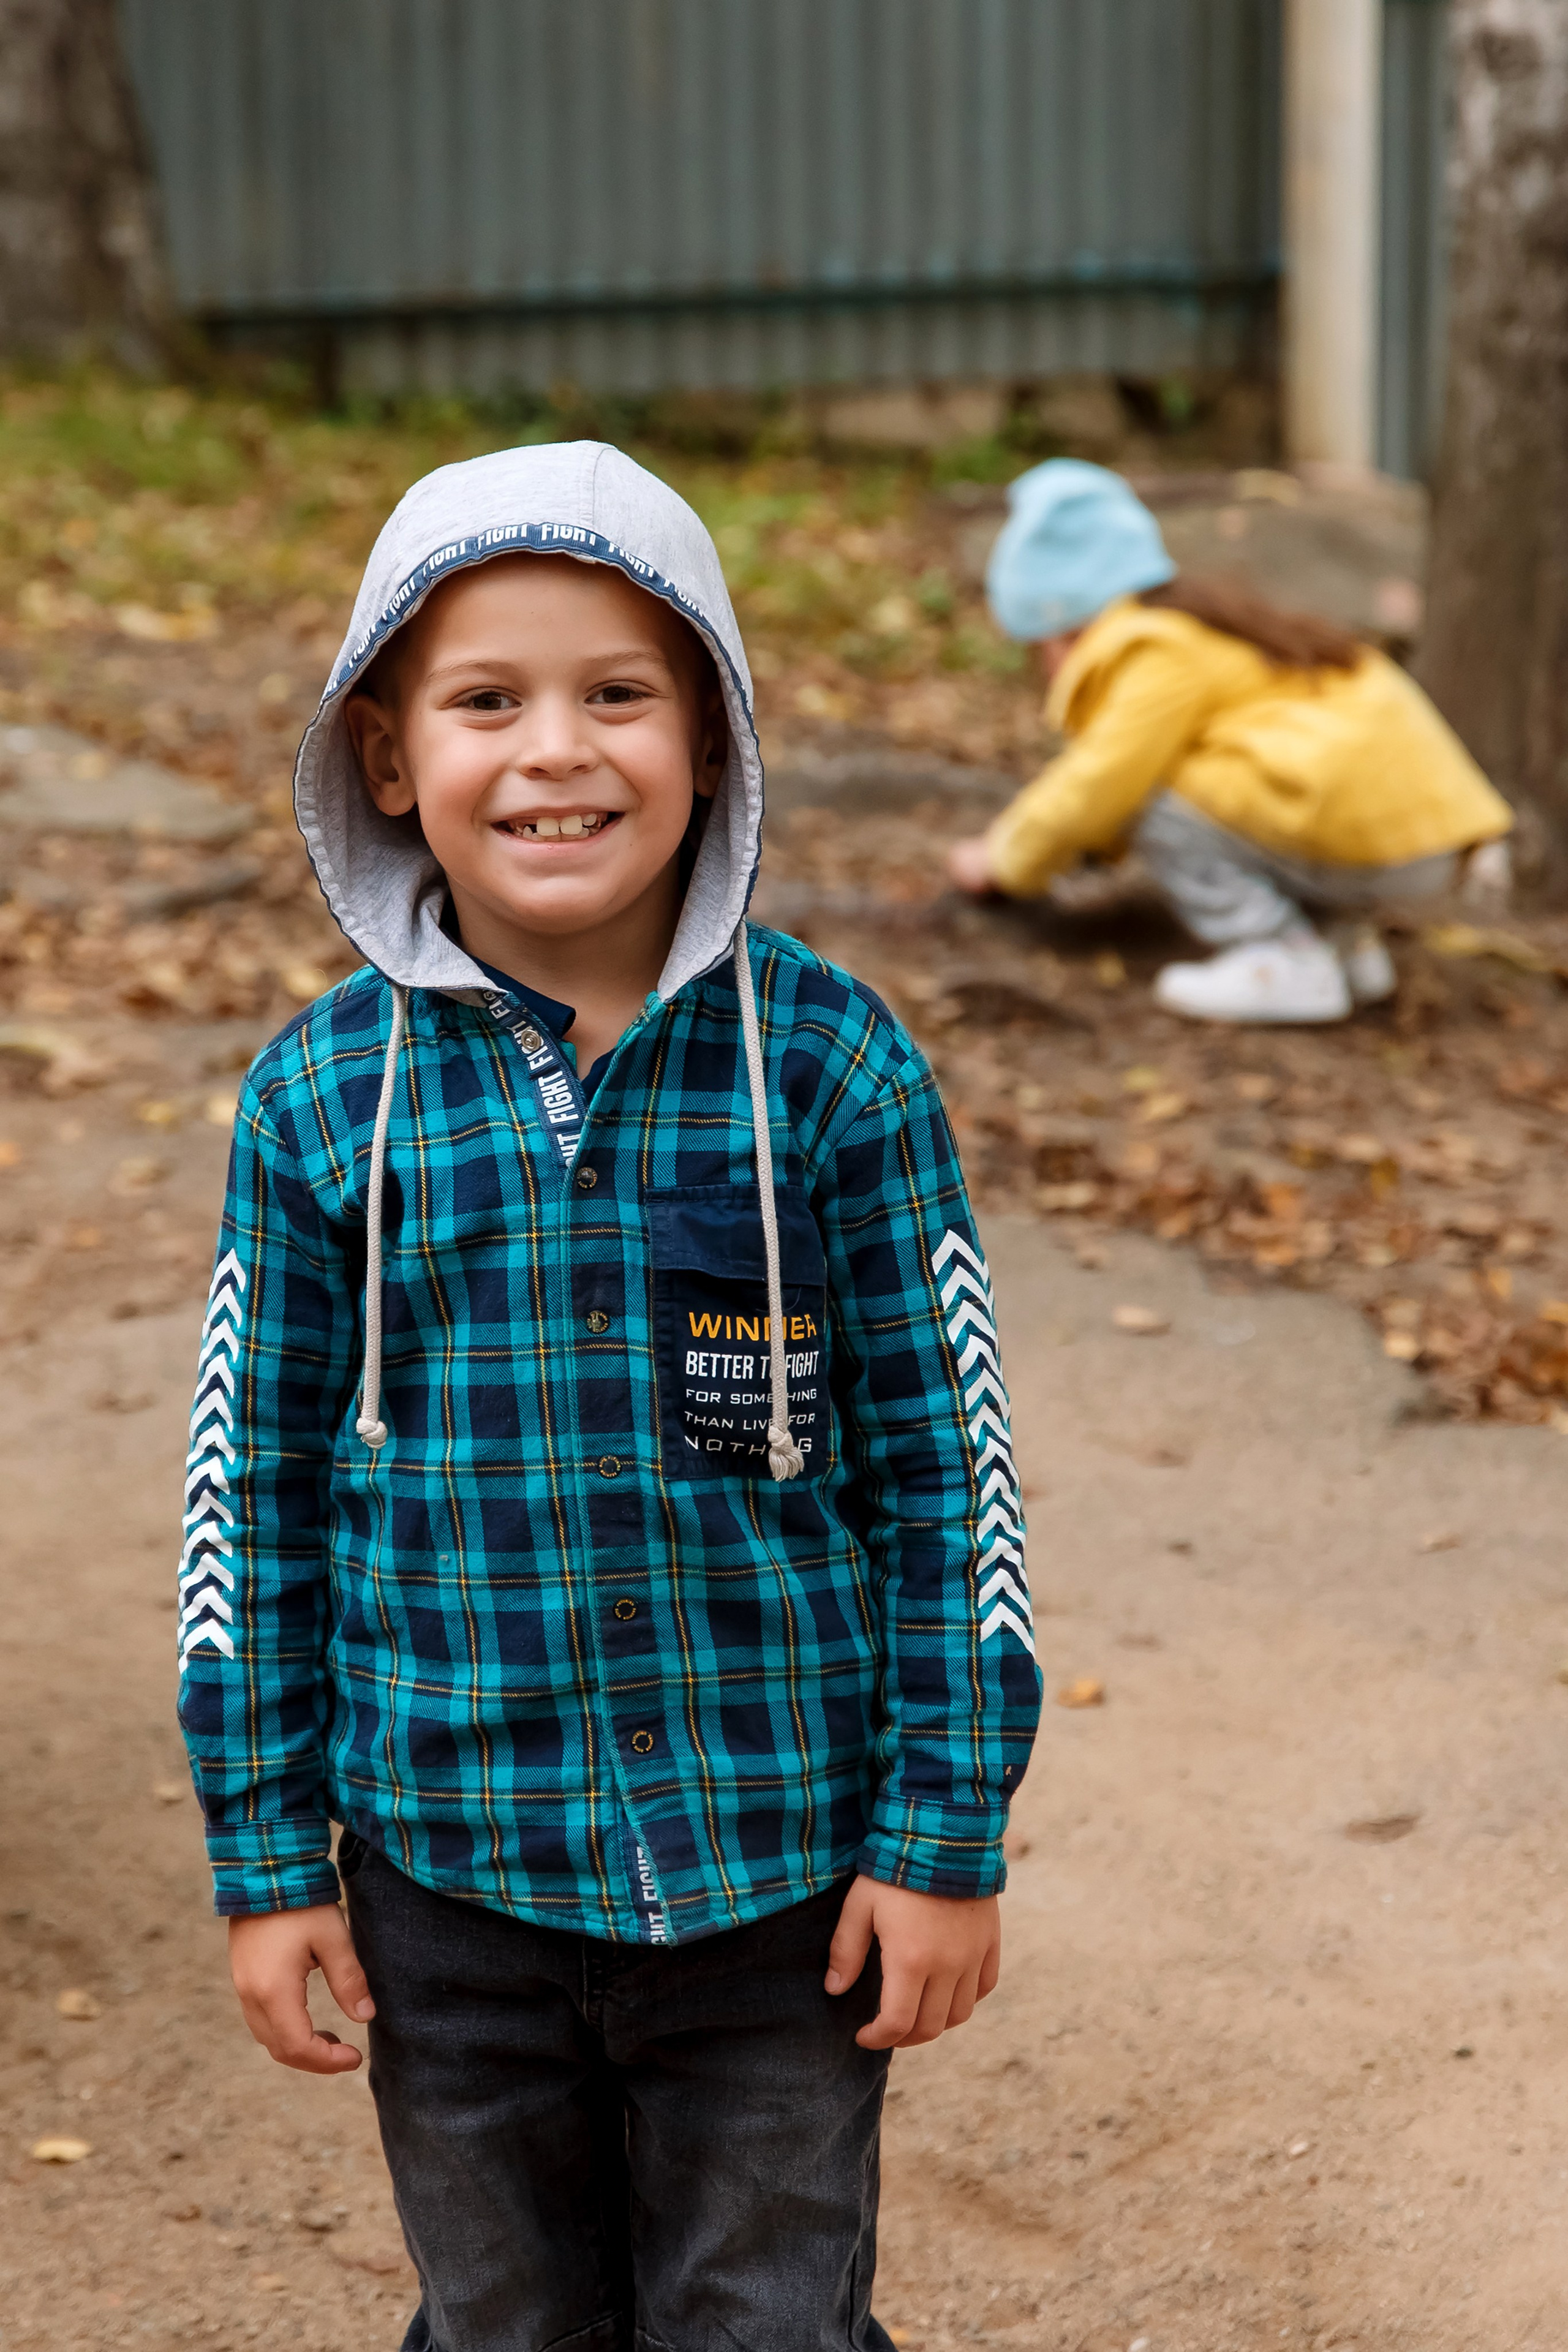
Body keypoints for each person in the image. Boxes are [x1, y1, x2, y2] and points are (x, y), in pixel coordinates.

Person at [177, 442, 1042, 2352]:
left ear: (712, 737)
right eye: (488, 701)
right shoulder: (318, 1099)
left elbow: (952, 1476)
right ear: (386, 755)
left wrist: (941, 1832)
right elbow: (249, 1500)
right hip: (448, 1882)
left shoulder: (832, 1065)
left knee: (768, 2319)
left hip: (777, 1878)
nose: (555, 751)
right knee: (505, 2317)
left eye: (619, 694)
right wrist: (266, 1851)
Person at [946, 459, 1513, 1023]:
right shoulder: (1210, 631)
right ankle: (1345, 950)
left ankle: (1283, 959)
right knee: (1238, 785)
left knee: (1155, 797)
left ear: (1063, 625)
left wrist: (1002, 858)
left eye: (1039, 646)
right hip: (1428, 837)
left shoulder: (1156, 650)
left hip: (1375, 842)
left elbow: (1097, 784)